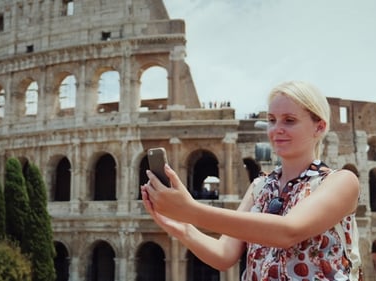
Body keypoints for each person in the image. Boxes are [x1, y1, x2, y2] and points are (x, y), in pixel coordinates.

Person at [141, 81, 361, 280]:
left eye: (289, 120)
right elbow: (224, 255)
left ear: (319, 127)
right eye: (272, 120)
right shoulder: (259, 187)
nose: (277, 129)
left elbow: (287, 231)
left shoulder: (340, 182)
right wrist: (183, 228)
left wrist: (191, 211)